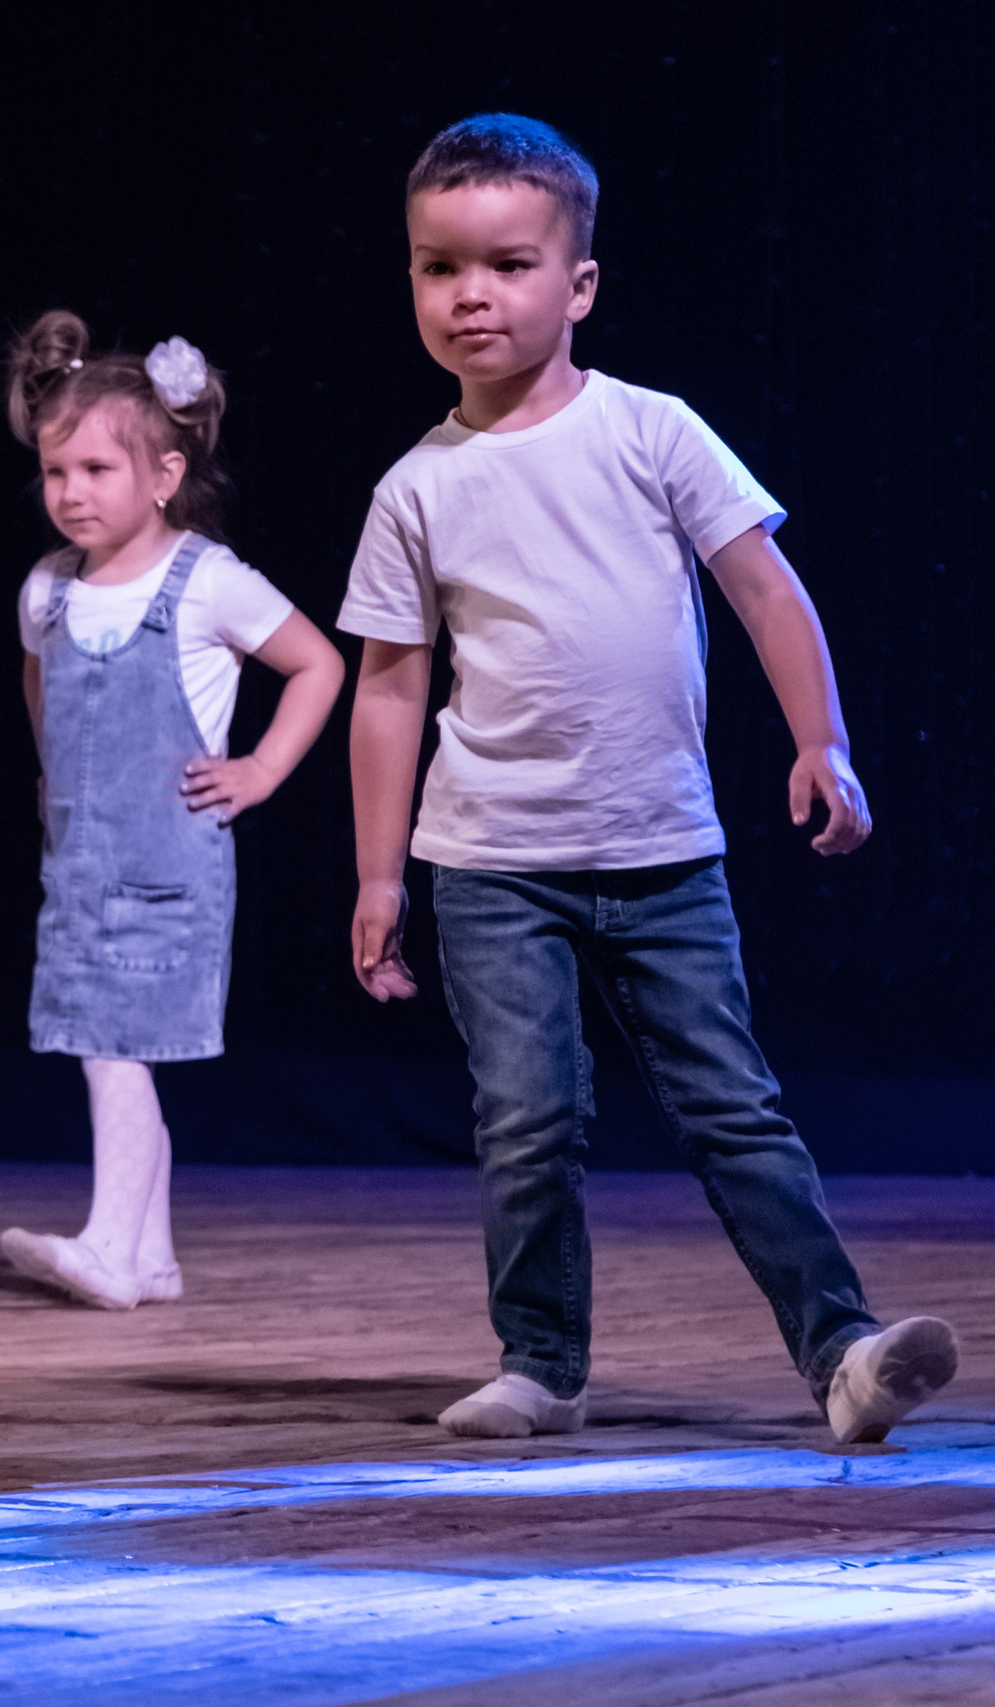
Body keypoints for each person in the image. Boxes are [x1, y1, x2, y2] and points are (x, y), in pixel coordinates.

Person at [341, 113, 958, 1443]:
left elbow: (760, 583)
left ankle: (843, 1351)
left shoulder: (652, 430)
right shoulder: (416, 488)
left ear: (579, 285)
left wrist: (822, 738)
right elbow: (390, 685)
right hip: (492, 861)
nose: (470, 294)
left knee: (733, 1106)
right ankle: (540, 1361)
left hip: (663, 851)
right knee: (527, 1117)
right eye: (438, 266)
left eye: (507, 263)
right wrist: (381, 869)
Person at [0, 313, 343, 1309]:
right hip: (79, 860)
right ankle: (147, 1256)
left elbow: (317, 661)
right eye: (57, 472)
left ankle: (111, 1244)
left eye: (97, 470)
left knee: (116, 1051)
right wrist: (50, 768)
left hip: (164, 869)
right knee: (114, 1049)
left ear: (161, 473)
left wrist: (263, 768)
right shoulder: (47, 591)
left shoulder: (203, 583)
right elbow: (40, 684)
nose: (70, 493)